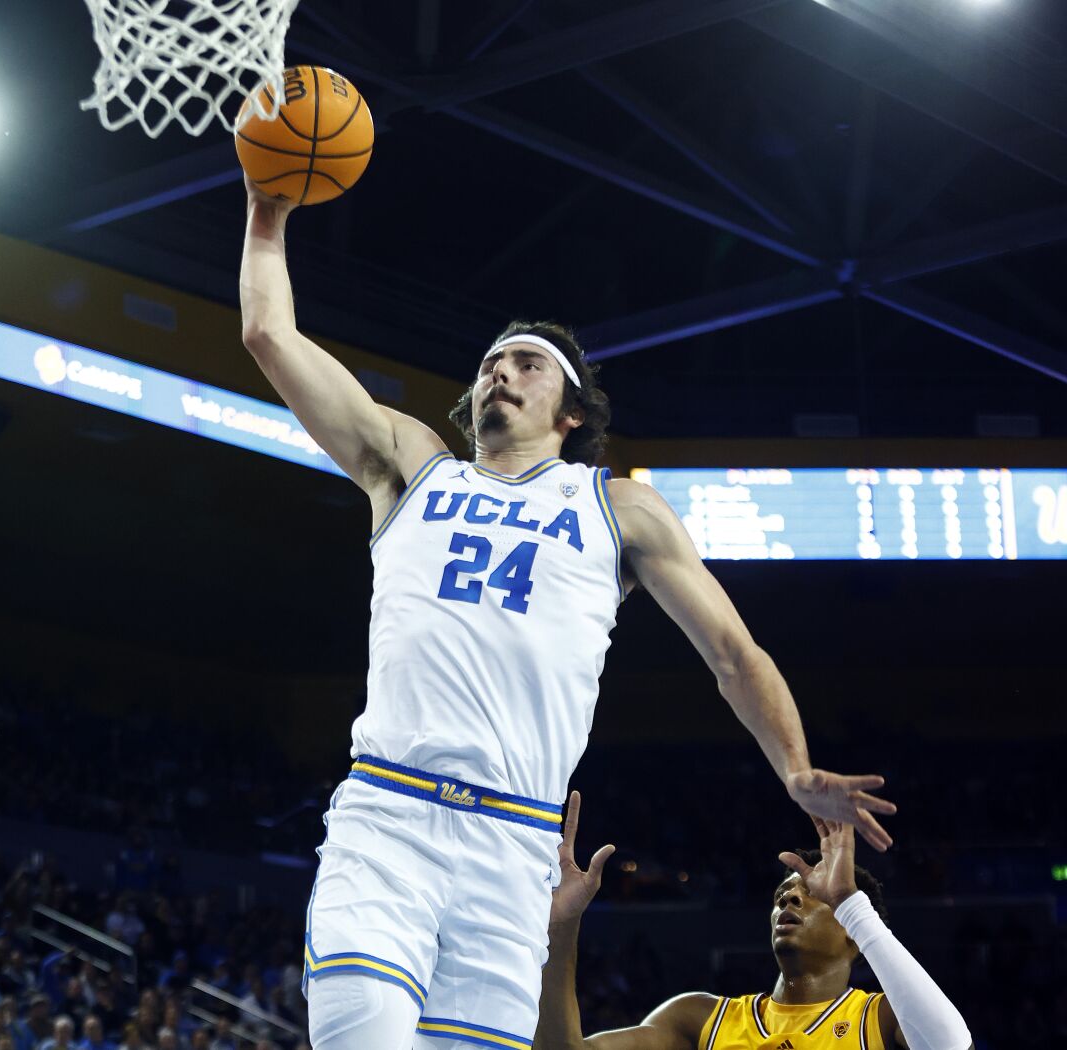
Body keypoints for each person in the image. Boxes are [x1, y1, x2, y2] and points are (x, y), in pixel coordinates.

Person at [239, 190, 897, 1050]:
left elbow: (734, 652)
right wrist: (266, 216)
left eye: (524, 364)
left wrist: (796, 767)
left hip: (515, 851)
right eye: (488, 365)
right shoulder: (411, 469)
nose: (497, 374)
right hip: (389, 817)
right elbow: (269, 337)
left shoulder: (620, 508)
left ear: (573, 411)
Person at [534, 793, 972, 1049]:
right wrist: (561, 928)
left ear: (852, 932)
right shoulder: (701, 1017)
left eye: (810, 896)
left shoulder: (881, 1019)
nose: (788, 902)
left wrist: (849, 901)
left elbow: (950, 1043)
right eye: (782, 896)